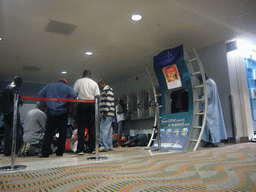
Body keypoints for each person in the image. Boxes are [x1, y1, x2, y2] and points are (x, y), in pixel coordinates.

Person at [38, 78, 77, 157]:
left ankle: (45, 152)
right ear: (65, 83)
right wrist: (69, 104)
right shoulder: (67, 88)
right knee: (62, 133)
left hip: (51, 113)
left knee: (49, 133)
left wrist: (45, 105)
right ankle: (60, 152)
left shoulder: (49, 86)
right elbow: (74, 95)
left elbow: (40, 95)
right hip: (63, 113)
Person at [73, 70, 100, 155]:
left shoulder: (79, 81)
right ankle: (92, 149)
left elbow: (74, 93)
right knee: (92, 127)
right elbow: (97, 96)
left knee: (81, 127)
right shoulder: (94, 83)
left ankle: (80, 150)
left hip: (82, 104)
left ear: (83, 75)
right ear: (90, 75)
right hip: (92, 104)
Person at [200, 74, 227, 147]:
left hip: (209, 107)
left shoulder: (207, 83)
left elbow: (207, 95)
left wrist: (199, 99)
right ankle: (213, 141)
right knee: (213, 125)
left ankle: (212, 141)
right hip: (212, 107)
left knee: (210, 125)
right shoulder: (212, 81)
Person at [0, 76, 24, 156]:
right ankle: (18, 150)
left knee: (7, 131)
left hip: (6, 112)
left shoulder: (6, 88)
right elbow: (15, 100)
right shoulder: (14, 88)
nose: (20, 85)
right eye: (20, 83)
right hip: (13, 112)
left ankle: (7, 150)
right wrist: (20, 101)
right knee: (17, 130)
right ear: (18, 81)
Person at [98, 80, 115, 152]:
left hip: (107, 113)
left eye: (99, 86)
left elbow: (108, 101)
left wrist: (104, 112)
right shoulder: (107, 90)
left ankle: (104, 146)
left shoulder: (108, 90)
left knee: (103, 129)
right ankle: (109, 145)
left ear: (102, 84)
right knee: (109, 130)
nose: (98, 88)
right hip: (109, 113)